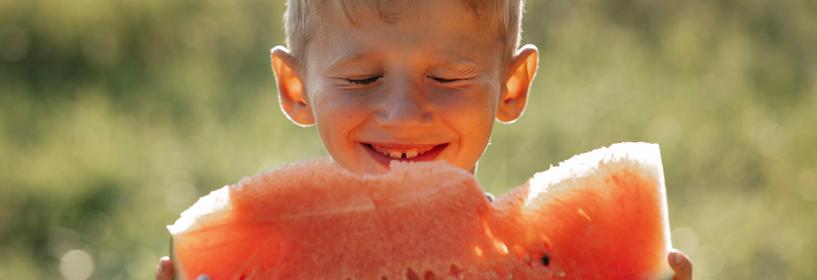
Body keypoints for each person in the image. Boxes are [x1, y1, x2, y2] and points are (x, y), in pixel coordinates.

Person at [157, 0, 693, 278]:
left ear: (511, 87)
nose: (403, 112)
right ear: (295, 89)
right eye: (362, 79)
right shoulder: (261, 262)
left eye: (447, 78)